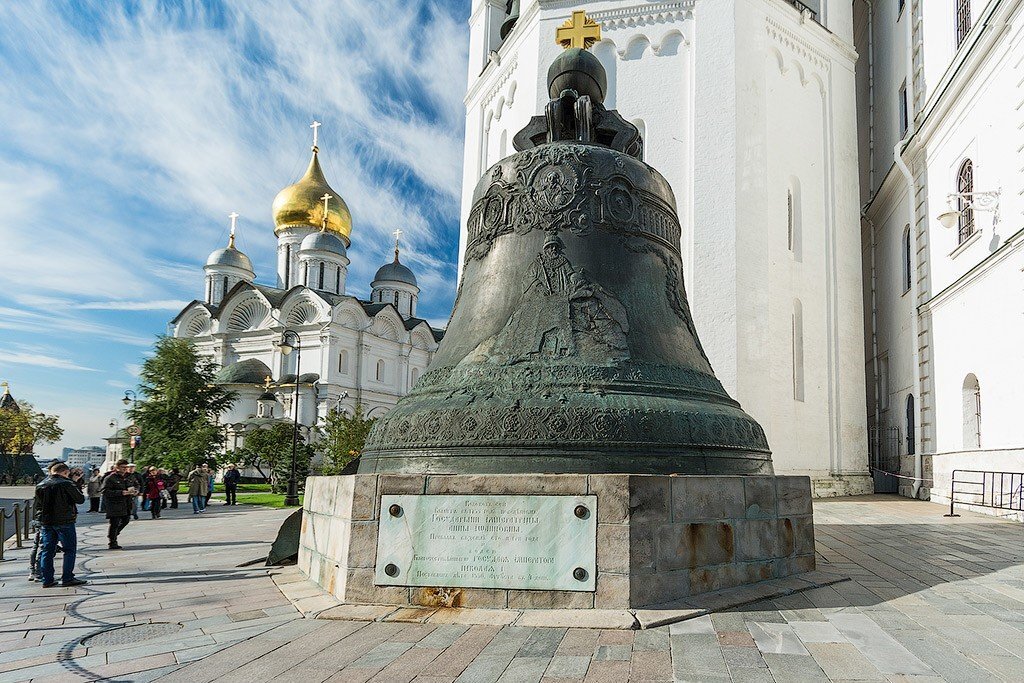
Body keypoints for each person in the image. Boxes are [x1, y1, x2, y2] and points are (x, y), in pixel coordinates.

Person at [33, 462, 87, 588]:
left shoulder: (41, 485)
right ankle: (67, 578)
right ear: (65, 472)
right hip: (65, 521)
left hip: (47, 522)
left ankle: (47, 580)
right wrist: (75, 482)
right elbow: (80, 499)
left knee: (47, 551)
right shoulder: (66, 483)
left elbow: (38, 506)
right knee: (69, 550)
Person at [101, 459, 136, 549]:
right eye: (123, 467)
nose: (125, 469)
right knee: (115, 523)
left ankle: (114, 534)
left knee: (126, 520)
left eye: (126, 467)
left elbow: (135, 484)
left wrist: (135, 491)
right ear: (117, 467)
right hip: (115, 504)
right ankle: (112, 542)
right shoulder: (110, 478)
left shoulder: (129, 477)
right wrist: (120, 492)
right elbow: (105, 491)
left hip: (126, 503)